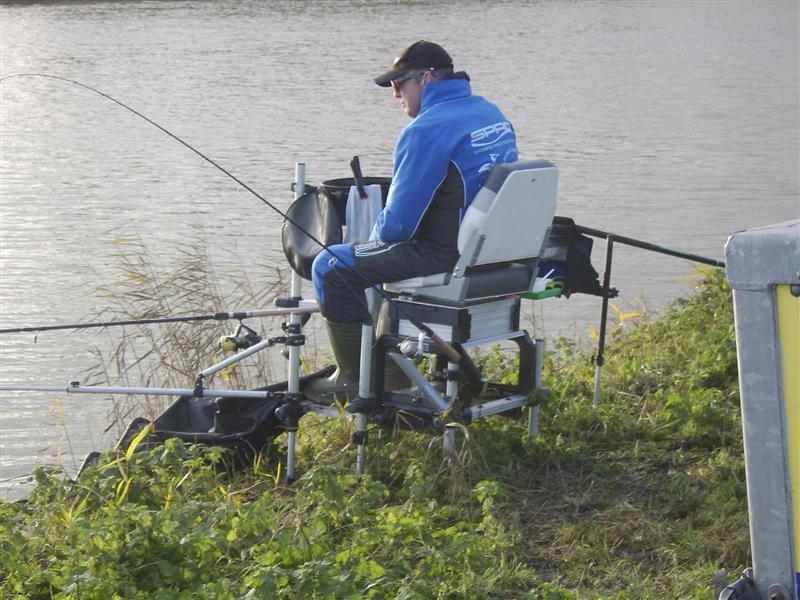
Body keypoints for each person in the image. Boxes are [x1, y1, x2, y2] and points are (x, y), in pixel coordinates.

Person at [305, 40, 519, 400]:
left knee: (331, 266)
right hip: (491, 254)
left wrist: (366, 244)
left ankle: (356, 380)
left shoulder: (426, 130)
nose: (395, 94)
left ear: (427, 78)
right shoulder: (490, 113)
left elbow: (398, 226)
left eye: (399, 83)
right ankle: (390, 366)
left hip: (445, 255)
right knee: (368, 261)